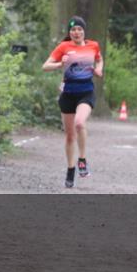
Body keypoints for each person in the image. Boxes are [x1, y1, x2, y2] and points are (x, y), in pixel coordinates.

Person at [42, 17, 103, 188]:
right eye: (73, 30)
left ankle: (82, 159)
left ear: (84, 31)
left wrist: (99, 69)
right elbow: (45, 66)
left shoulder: (93, 45)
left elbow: (99, 59)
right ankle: (70, 170)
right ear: (70, 33)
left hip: (86, 92)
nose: (76, 32)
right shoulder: (64, 47)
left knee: (80, 123)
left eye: (79, 29)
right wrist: (59, 64)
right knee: (69, 136)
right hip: (68, 94)